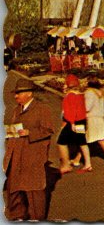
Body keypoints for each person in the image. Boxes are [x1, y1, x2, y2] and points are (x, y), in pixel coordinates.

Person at [4, 79, 55, 221]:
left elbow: (48, 130)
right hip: (16, 154)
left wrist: (29, 133)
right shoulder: (16, 110)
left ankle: (36, 219)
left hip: (33, 155)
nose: (15, 96)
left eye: (18, 93)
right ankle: (18, 217)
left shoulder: (42, 109)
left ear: (29, 93)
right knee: (14, 189)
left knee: (33, 191)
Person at [57, 74, 92, 174]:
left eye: (65, 84)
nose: (63, 86)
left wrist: (71, 123)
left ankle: (66, 165)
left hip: (73, 121)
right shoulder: (81, 95)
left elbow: (70, 111)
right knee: (82, 142)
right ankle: (88, 163)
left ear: (68, 85)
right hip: (82, 121)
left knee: (61, 141)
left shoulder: (69, 96)